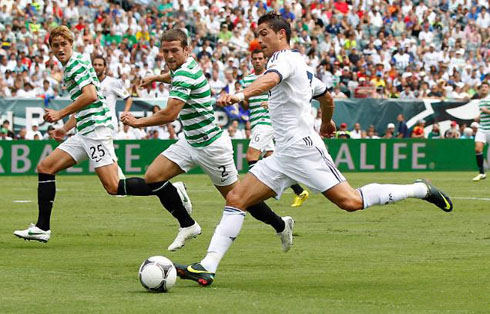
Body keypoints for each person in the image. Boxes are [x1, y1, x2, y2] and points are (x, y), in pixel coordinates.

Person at [174, 13, 453, 287]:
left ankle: (420, 189)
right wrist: (327, 121)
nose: (259, 40)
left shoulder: (286, 60)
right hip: (283, 154)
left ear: (281, 34)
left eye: (264, 34)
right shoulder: (298, 66)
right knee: (236, 198)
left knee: (351, 202)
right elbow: (326, 96)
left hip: (304, 150)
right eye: (257, 35)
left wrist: (242, 94)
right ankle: (208, 266)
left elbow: (270, 79)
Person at [120, 29, 292, 251]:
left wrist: (137, 122)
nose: (169, 56)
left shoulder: (184, 75)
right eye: (165, 51)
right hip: (190, 141)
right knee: (153, 177)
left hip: (212, 147)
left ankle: (280, 224)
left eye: (174, 51)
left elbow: (169, 114)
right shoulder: (185, 66)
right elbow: (172, 75)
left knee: (239, 199)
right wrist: (157, 77)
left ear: (186, 49)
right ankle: (187, 225)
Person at [13, 26, 122, 243]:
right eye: (56, 45)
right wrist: (65, 128)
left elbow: (90, 96)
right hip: (85, 130)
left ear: (71, 44)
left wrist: (60, 114)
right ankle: (42, 228)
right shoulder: (75, 63)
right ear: (51, 49)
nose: (60, 48)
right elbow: (86, 104)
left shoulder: (76, 64)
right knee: (45, 167)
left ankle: (167, 188)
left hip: (95, 131)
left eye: (64, 44)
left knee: (114, 187)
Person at [241, 49, 309, 207]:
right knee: (272, 159)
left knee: (251, 155)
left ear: (265, 60)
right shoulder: (247, 80)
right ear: (251, 61)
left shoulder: (272, 77)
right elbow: (246, 104)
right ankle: (299, 191)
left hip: (266, 121)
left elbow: (281, 97)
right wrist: (241, 97)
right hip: (256, 120)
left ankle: (255, 190)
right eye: (255, 59)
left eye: (260, 58)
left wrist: (269, 103)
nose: (257, 61)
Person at [92, 55, 133, 180]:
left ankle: (120, 182)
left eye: (100, 65)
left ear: (105, 67)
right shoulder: (89, 82)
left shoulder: (113, 82)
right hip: (94, 123)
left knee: (107, 152)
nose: (97, 67)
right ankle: (119, 181)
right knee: (105, 154)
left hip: (108, 123)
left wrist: (125, 112)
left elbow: (129, 98)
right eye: (95, 64)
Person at [472, 81, 489, 182]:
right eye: (482, 87)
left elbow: (486, 111)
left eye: (486, 87)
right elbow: (483, 112)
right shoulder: (481, 101)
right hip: (482, 128)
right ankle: (482, 173)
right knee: (478, 149)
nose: (484, 89)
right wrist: (478, 117)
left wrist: (486, 111)